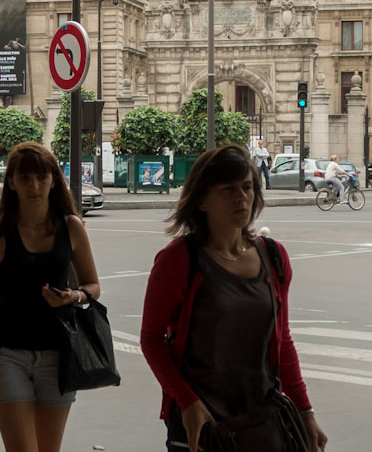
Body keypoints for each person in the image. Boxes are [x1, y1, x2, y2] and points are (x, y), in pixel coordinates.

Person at [138, 143, 324, 451]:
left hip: (262, 418)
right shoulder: (179, 259)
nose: (242, 198)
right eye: (228, 189)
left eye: (247, 187)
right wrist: (187, 402)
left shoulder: (273, 256)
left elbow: (282, 341)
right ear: (201, 201)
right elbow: (151, 339)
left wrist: (305, 411)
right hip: (202, 423)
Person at [0, 142, 102, 452]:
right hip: (7, 353)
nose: (34, 185)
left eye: (41, 176)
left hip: (59, 353)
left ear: (53, 179)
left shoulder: (71, 226)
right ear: (11, 182)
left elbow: (92, 285)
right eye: (24, 178)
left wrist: (73, 296)